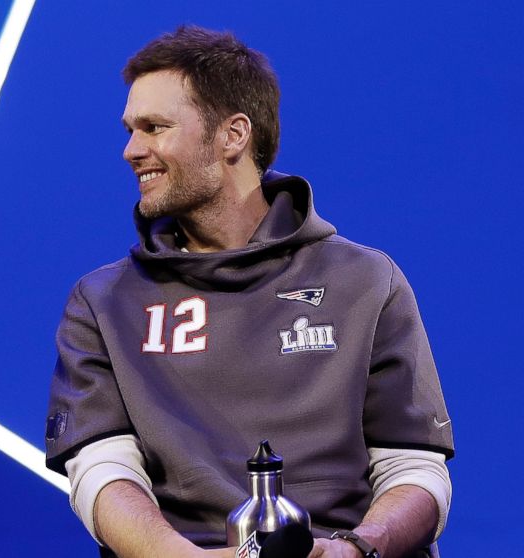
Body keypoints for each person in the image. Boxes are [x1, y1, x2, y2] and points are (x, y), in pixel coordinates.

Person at [44, 25, 453, 558]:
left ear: (233, 135)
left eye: (154, 128)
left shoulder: (367, 281)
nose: (130, 150)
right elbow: (101, 472)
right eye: (129, 130)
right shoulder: (102, 302)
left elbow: (415, 467)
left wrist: (356, 548)